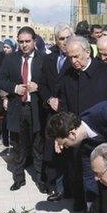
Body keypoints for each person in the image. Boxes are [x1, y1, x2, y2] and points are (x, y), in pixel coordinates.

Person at [51, 36, 107, 211]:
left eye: (77, 56)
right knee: (86, 176)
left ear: (88, 52)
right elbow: (63, 108)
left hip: (105, 138)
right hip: (80, 140)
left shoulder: (106, 72)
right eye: (70, 57)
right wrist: (60, 135)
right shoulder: (68, 76)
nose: (73, 61)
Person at [0, 26, 45, 192]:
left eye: (27, 41)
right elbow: (0, 80)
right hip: (17, 108)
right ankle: (18, 178)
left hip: (36, 108)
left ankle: (40, 179)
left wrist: (38, 87)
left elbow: (51, 83)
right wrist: (14, 88)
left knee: (38, 145)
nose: (24, 45)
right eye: (21, 41)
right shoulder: (11, 59)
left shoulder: (43, 59)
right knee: (17, 146)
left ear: (34, 41)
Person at [40, 23, 74, 201]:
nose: (65, 41)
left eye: (68, 37)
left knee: (68, 150)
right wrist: (48, 99)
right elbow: (43, 84)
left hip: (70, 114)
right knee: (52, 150)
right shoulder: (49, 59)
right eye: (61, 38)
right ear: (56, 40)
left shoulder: (77, 58)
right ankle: (54, 186)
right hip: (51, 113)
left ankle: (68, 188)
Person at [0, 39, 17, 148]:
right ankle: (1, 136)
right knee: (0, 113)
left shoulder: (16, 57)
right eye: (4, 47)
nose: (5, 49)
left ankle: (10, 139)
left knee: (9, 116)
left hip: (12, 89)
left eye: (8, 47)